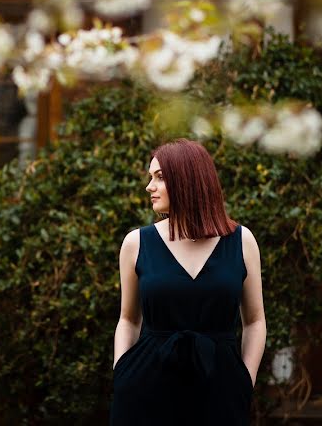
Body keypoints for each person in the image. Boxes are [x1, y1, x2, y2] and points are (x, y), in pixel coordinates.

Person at [110, 138, 267, 425]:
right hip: (145, 390)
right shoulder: (136, 243)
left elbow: (255, 321)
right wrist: (122, 371)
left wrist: (245, 380)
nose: (149, 187)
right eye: (150, 177)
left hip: (221, 390)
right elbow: (128, 319)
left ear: (187, 181)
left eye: (159, 177)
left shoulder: (242, 241)